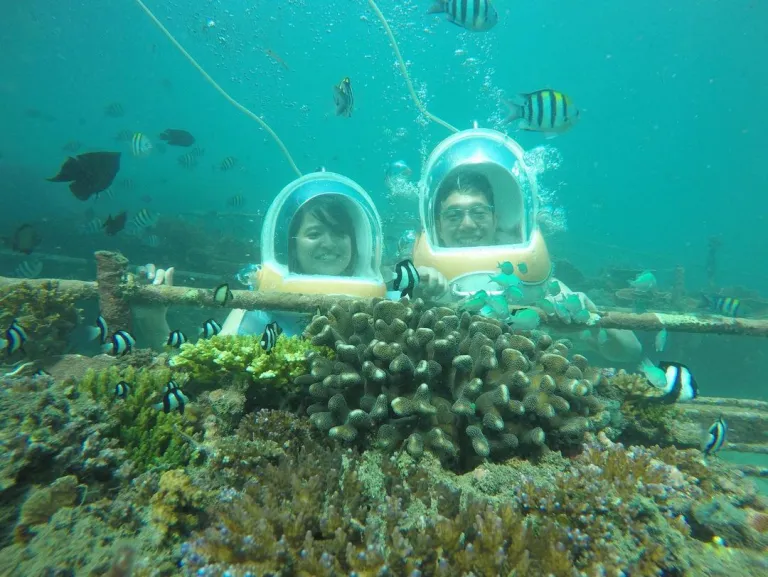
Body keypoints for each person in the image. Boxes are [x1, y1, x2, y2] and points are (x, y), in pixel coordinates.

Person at [411, 127, 642, 364]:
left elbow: (628, 350)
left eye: (479, 212)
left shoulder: (535, 285)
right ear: (437, 225)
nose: (468, 224)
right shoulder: (419, 283)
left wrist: (591, 313)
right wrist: (412, 294)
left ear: (495, 219)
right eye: (454, 215)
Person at [221, 171, 387, 336]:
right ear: (292, 245)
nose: (328, 244)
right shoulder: (253, 311)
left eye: (339, 232)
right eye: (314, 234)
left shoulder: (388, 308)